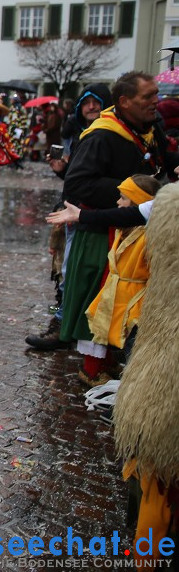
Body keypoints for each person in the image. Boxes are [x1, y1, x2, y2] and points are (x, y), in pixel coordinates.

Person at [34, 73, 179, 356]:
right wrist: (139, 190)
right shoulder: (101, 135)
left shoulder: (149, 127)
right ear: (124, 102)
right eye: (147, 96)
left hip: (132, 225)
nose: (155, 101)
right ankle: (80, 344)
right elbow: (77, 185)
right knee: (91, 290)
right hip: (102, 229)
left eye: (156, 94)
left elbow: (162, 161)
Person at [113, 182, 179, 563]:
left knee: (156, 471)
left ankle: (148, 554)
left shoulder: (169, 204)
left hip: (163, 362)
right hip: (163, 360)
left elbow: (133, 213)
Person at [46, 175, 160, 385]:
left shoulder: (145, 234)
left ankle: (111, 374)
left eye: (123, 198)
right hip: (118, 293)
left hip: (134, 297)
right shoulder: (122, 229)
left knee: (130, 342)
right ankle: (95, 371)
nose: (117, 202)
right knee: (108, 332)